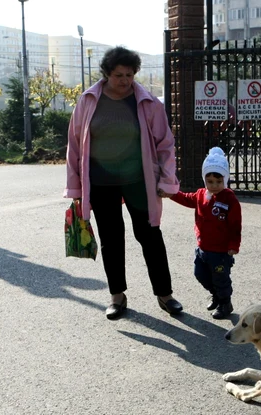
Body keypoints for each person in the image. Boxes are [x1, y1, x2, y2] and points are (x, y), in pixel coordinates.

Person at [63, 46, 181, 320]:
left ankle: (165, 295)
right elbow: (74, 145)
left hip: (138, 180)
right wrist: (76, 189)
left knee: (150, 236)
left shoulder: (148, 102)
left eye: (130, 74)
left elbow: (165, 145)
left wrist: (167, 179)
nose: (125, 80)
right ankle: (117, 296)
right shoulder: (88, 100)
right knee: (111, 239)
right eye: (119, 75)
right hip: (101, 181)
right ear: (106, 74)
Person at [168, 147, 241, 319]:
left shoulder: (229, 199)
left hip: (221, 251)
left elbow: (235, 225)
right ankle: (216, 295)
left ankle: (225, 303)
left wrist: (233, 245)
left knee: (220, 277)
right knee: (199, 273)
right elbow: (186, 198)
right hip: (203, 248)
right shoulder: (201, 195)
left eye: (218, 181)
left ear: (226, 179)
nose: (214, 186)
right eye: (209, 181)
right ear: (204, 180)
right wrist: (171, 194)